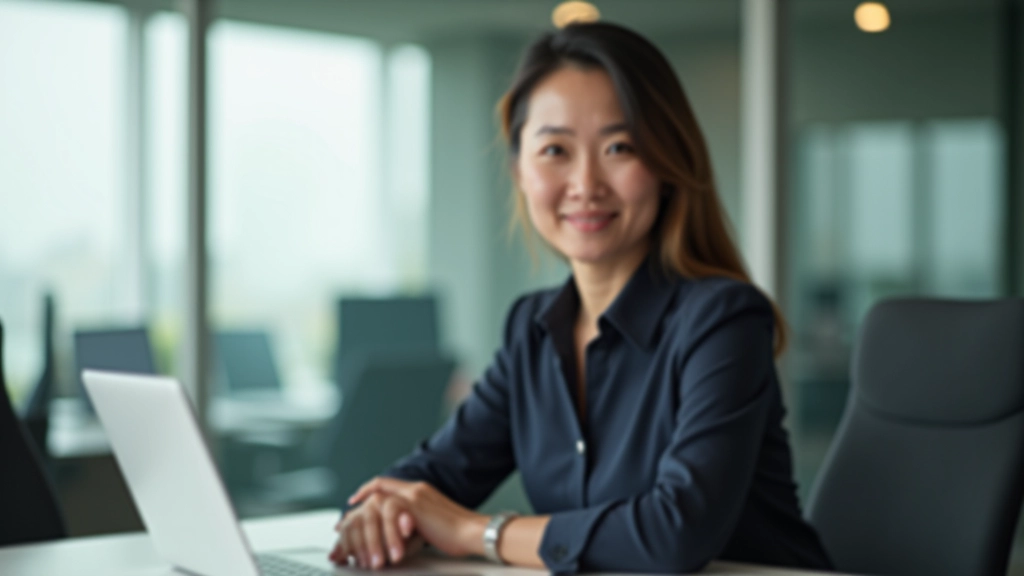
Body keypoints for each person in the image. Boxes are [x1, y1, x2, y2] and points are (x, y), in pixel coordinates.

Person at [329, 21, 833, 574]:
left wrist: (476, 531)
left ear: (667, 165)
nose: (587, 183)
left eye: (620, 147)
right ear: (520, 170)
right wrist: (383, 513)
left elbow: (676, 532)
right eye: (555, 150)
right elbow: (432, 475)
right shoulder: (532, 328)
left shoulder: (722, 320)